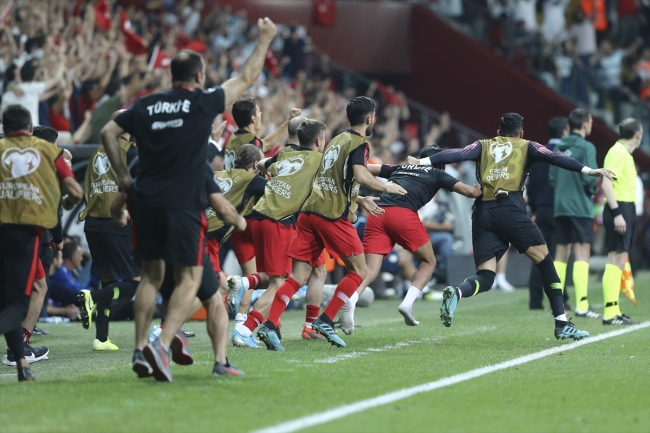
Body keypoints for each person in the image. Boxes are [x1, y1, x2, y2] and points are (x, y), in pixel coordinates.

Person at [99, 17, 278, 382]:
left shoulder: (146, 105)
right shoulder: (200, 102)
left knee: (151, 278)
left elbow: (107, 130)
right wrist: (264, 39)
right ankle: (161, 345)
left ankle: (153, 350)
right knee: (190, 279)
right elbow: (245, 78)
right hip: (183, 200)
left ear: (170, 76)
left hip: (145, 199)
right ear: (199, 76)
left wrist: (123, 176)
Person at [407, 113, 614, 340]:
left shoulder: (482, 145)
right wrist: (588, 170)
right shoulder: (527, 146)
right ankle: (562, 323)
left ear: (498, 132)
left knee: (486, 276)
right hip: (510, 210)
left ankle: (457, 291)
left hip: (483, 214)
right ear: (521, 133)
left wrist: (423, 161)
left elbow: (457, 153)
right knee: (545, 261)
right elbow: (556, 158)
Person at [254, 96, 407, 350]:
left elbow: (335, 178)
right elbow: (360, 173)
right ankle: (325, 320)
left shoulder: (336, 140)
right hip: (332, 215)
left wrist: (361, 198)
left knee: (298, 276)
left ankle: (270, 325)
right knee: (360, 271)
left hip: (309, 214)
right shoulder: (359, 142)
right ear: (369, 118)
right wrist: (385, 186)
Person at [338, 144, 481, 334]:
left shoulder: (400, 168)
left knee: (370, 269)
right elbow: (471, 192)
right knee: (428, 261)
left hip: (377, 213)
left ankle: (352, 299)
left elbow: (364, 168)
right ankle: (407, 303)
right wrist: (481, 182)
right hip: (402, 215)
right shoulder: (437, 173)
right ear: (440, 163)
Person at [0, 104, 83, 381]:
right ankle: (19, 354)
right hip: (24, 235)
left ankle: (22, 362)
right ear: (30, 129)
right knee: (25, 295)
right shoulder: (48, 151)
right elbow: (72, 190)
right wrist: (60, 232)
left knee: (10, 299)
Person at [232, 119, 329, 350]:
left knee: (293, 273)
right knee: (279, 283)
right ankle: (245, 330)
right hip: (280, 221)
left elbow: (264, 165)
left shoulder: (285, 152)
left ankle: (245, 283)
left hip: (259, 217)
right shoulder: (320, 160)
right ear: (319, 141)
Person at [223, 99, 300, 325]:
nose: (261, 115)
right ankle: (268, 321)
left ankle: (241, 321)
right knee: (274, 277)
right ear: (253, 118)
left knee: (251, 277)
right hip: (253, 214)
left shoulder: (231, 141)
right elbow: (263, 145)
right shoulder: (251, 142)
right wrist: (288, 124)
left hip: (233, 216)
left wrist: (287, 122)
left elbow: (264, 143)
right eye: (259, 112)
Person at [77, 110, 140, 351]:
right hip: (116, 221)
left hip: (92, 223)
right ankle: (94, 298)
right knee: (136, 281)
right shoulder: (130, 152)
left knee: (108, 279)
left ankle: (101, 338)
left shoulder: (95, 153)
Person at [549, 109, 600, 319]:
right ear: (586, 124)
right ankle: (581, 305)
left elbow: (552, 177)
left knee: (561, 254)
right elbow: (591, 178)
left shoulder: (559, 146)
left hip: (560, 206)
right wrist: (592, 191)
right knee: (582, 253)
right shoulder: (586, 146)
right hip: (580, 207)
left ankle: (558, 304)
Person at [600, 118, 642, 325]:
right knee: (615, 258)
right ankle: (609, 312)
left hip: (627, 207)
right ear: (638, 134)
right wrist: (617, 213)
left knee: (619, 258)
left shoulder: (623, 153)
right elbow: (606, 183)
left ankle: (614, 310)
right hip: (620, 208)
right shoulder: (618, 152)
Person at [527, 117, 570, 310]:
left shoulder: (537, 153)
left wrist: (535, 209)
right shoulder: (565, 153)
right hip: (560, 209)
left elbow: (532, 186)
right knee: (560, 255)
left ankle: (535, 301)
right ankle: (562, 300)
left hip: (541, 210)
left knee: (539, 255)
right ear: (564, 131)